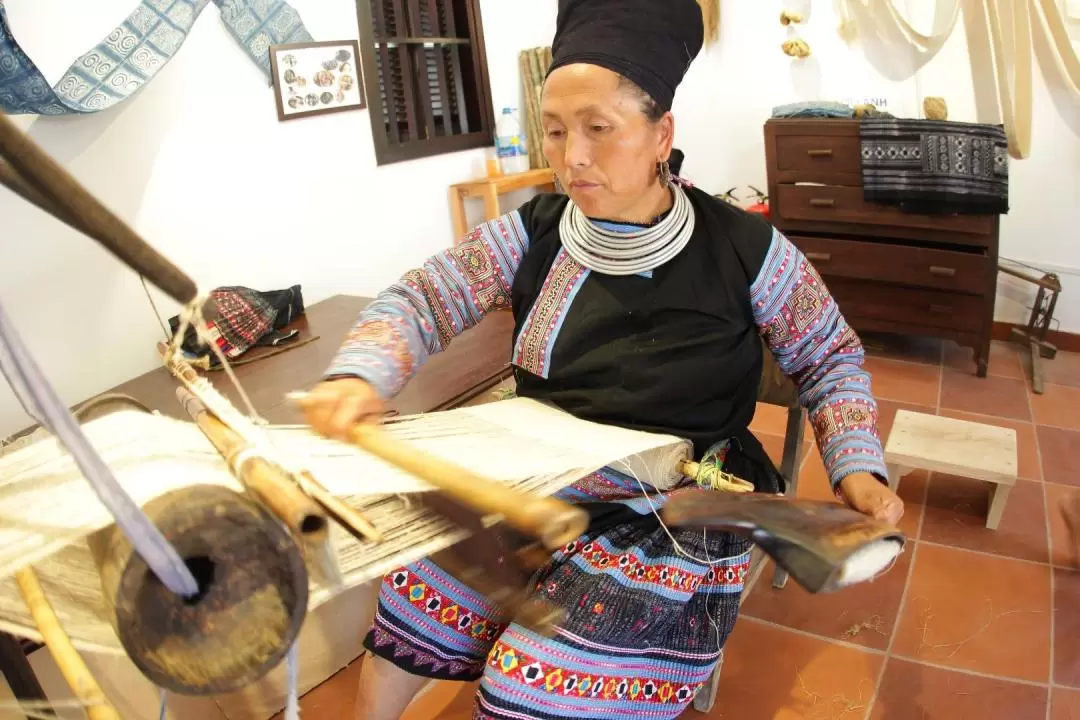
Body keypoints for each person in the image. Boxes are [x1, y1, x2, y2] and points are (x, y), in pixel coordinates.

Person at [299, 1, 904, 717]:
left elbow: (830, 358)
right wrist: (358, 375)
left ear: (661, 134)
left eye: (598, 129)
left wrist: (858, 467)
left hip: (678, 501)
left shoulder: (745, 249)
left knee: (534, 682)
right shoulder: (532, 235)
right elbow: (424, 297)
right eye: (553, 131)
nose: (570, 156)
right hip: (540, 475)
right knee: (418, 587)